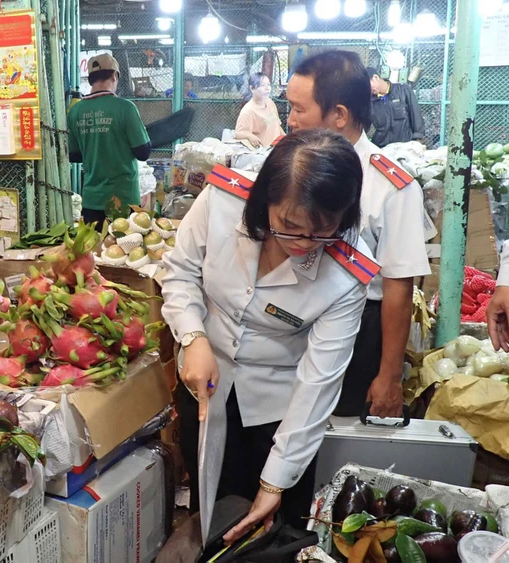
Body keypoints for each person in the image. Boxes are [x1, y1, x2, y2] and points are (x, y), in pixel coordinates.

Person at [162, 129, 374, 540]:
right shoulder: (223, 201)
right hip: (206, 382)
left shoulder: (348, 274)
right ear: (265, 202)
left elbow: (318, 382)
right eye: (289, 226)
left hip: (280, 409)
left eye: (322, 231)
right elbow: (181, 272)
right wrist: (193, 337)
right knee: (213, 510)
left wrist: (274, 482)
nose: (304, 243)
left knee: (276, 530)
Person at [286, 51, 431, 418]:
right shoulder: (285, 168)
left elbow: (398, 286)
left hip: (357, 333)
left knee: (338, 430)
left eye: (299, 110)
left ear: (339, 115)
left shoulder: (390, 187)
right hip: (288, 322)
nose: (289, 121)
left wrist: (390, 375)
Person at [67, 53, 151, 226]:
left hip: (91, 199)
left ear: (90, 79)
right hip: (123, 200)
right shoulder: (125, 108)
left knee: (94, 250)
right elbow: (143, 152)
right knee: (121, 250)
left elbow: (74, 155)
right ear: (114, 75)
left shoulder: (75, 111)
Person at [367, 67, 425, 147]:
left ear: (375, 77)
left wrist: (417, 140)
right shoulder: (369, 101)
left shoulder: (403, 90)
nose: (367, 89)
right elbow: (364, 126)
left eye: (367, 85)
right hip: (382, 147)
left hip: (404, 146)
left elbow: (415, 114)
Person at [234, 73, 285, 147]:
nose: (267, 88)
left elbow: (277, 125)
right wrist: (249, 136)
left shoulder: (270, 103)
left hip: (277, 149)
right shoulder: (248, 111)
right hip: (262, 153)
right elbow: (238, 133)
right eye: (262, 85)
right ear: (252, 89)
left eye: (268, 84)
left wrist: (286, 139)